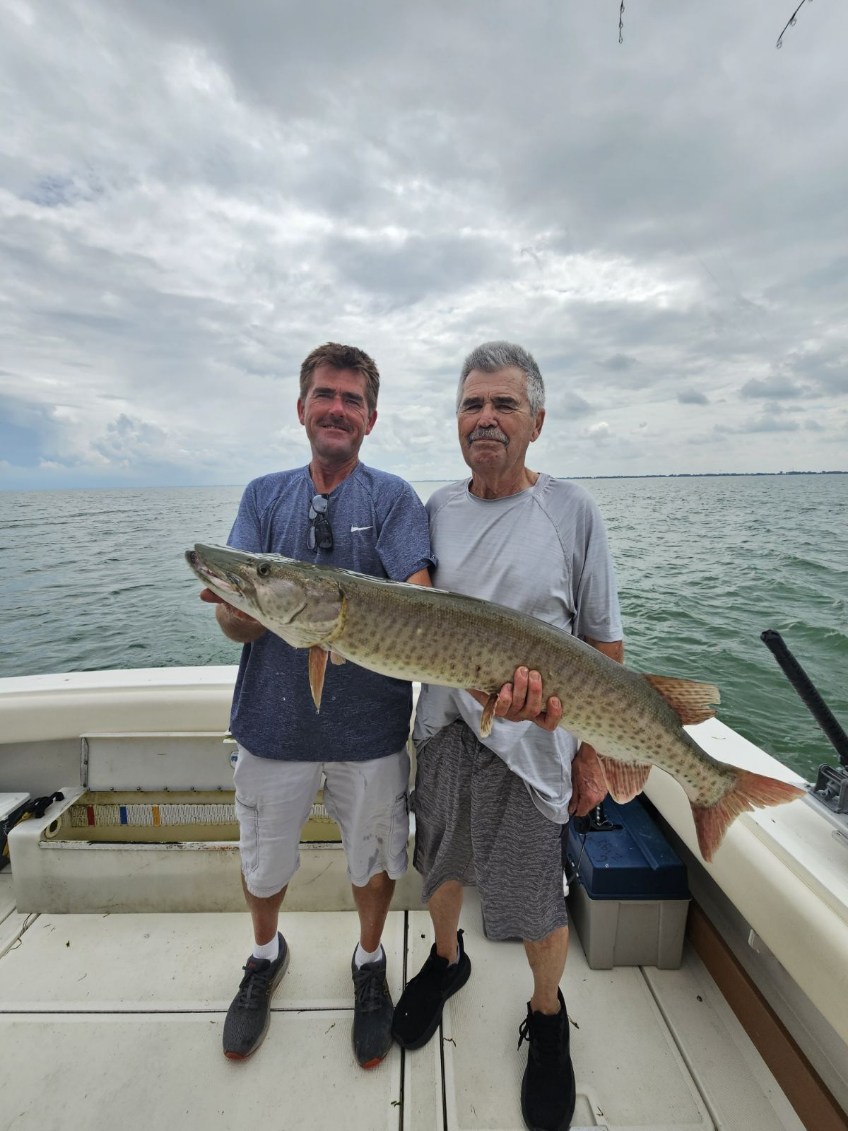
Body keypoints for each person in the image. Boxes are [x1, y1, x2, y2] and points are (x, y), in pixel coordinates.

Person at [391, 341, 623, 1131]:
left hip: (533, 750)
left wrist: (590, 749)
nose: (485, 418)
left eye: (503, 404)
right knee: (441, 864)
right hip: (448, 729)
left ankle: (548, 1013)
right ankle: (447, 961)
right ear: (456, 421)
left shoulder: (573, 511)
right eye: (471, 405)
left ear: (538, 421)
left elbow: (604, 647)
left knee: (536, 903)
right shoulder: (434, 508)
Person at [200, 342, 434, 1070]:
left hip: (369, 732)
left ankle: (369, 962)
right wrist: (247, 605)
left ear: (370, 416)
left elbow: (421, 595)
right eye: (325, 395)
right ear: (301, 407)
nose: (338, 408)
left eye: (353, 399)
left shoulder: (392, 497)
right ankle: (265, 952)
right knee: (264, 858)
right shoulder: (263, 495)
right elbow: (234, 618)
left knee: (372, 856)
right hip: (272, 727)